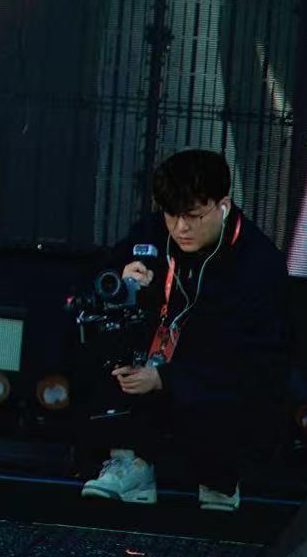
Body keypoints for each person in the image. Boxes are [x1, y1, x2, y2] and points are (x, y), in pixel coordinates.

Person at [80, 150, 289, 513]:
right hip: (151, 368)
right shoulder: (152, 233)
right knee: (102, 332)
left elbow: (255, 360)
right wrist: (122, 284)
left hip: (216, 386)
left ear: (223, 206)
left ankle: (219, 477)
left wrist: (166, 379)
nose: (180, 228)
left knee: (236, 384)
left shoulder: (258, 263)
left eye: (193, 216)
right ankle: (130, 462)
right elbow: (100, 282)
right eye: (171, 215)